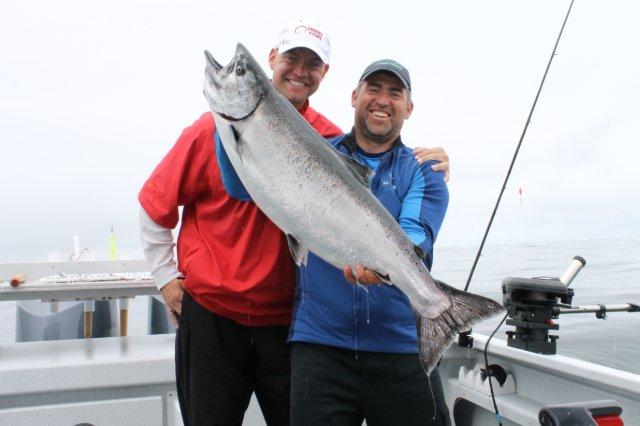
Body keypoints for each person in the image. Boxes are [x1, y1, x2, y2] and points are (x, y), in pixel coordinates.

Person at [139, 21, 450, 425]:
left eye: (312, 64)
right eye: (292, 58)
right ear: (272, 59)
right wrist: (165, 278)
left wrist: (431, 162)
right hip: (215, 315)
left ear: (324, 74)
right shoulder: (208, 130)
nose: (300, 71)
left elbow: (372, 201)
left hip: (285, 322)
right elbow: (167, 200)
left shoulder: (327, 140)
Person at [287, 61, 451, 425]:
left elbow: (415, 234)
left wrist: (383, 264)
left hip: (401, 347)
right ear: (354, 97)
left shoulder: (425, 170)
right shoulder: (313, 155)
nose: (382, 100)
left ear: (409, 107)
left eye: (395, 93)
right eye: (373, 89)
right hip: (320, 345)